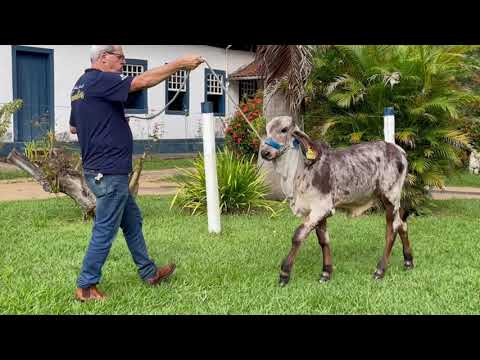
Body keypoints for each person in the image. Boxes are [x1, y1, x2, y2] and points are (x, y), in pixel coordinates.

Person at [69, 45, 203, 302]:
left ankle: (149, 273)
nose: (123, 62)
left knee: (132, 221)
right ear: (104, 57)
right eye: (120, 57)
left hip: (100, 169)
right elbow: (142, 81)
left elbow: (74, 127)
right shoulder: (101, 79)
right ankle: (86, 286)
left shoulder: (80, 85)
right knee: (105, 228)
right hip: (108, 171)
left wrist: (107, 120)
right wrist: (179, 64)